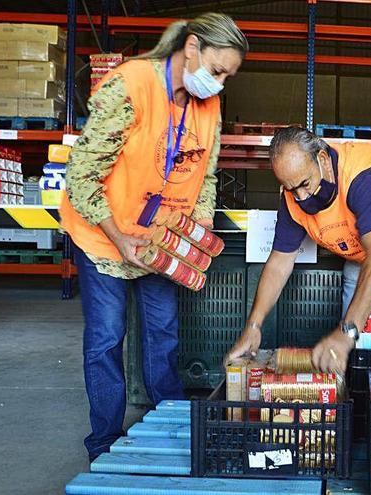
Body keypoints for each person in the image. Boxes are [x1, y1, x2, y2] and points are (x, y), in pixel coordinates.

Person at [60, 13, 248, 461]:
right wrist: (118, 237)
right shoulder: (130, 85)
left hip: (158, 239)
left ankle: (170, 428)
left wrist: (195, 231)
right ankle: (104, 441)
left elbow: (205, 175)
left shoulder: (209, 104)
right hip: (105, 235)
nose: (219, 83)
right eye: (217, 70)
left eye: (228, 77)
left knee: (162, 333)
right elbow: (82, 176)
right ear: (192, 48)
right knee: (107, 339)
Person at [225, 127, 371, 373]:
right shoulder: (293, 199)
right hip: (362, 249)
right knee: (351, 336)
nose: (301, 197)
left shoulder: (362, 176)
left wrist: (347, 331)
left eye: (305, 184)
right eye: (291, 190)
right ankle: (358, 391)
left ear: (322, 159)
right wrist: (253, 326)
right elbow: (279, 263)